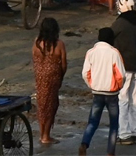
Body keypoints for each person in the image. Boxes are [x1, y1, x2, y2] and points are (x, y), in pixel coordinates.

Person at [79, 27, 126, 156]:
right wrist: (118, 87)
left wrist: (92, 85)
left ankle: (84, 143)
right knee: (114, 124)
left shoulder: (91, 52)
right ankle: (110, 152)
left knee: (93, 122)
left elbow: (85, 73)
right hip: (112, 94)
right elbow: (121, 75)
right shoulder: (114, 52)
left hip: (97, 92)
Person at [33, 16, 68, 147]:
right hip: (53, 79)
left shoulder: (36, 43)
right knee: (51, 106)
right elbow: (64, 64)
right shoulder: (59, 44)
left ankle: (42, 133)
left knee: (42, 105)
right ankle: (46, 136)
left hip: (40, 78)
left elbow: (35, 60)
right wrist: (60, 77)